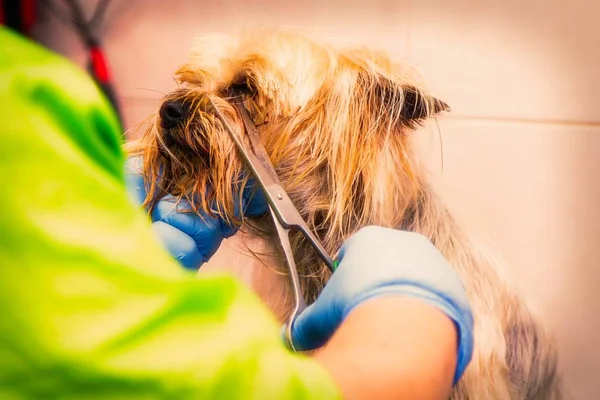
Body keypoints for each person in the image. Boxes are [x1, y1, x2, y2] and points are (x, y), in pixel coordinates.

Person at [0, 26, 474, 399]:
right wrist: (413, 317)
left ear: (360, 124)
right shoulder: (25, 99)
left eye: (244, 95)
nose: (177, 111)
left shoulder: (22, 87)